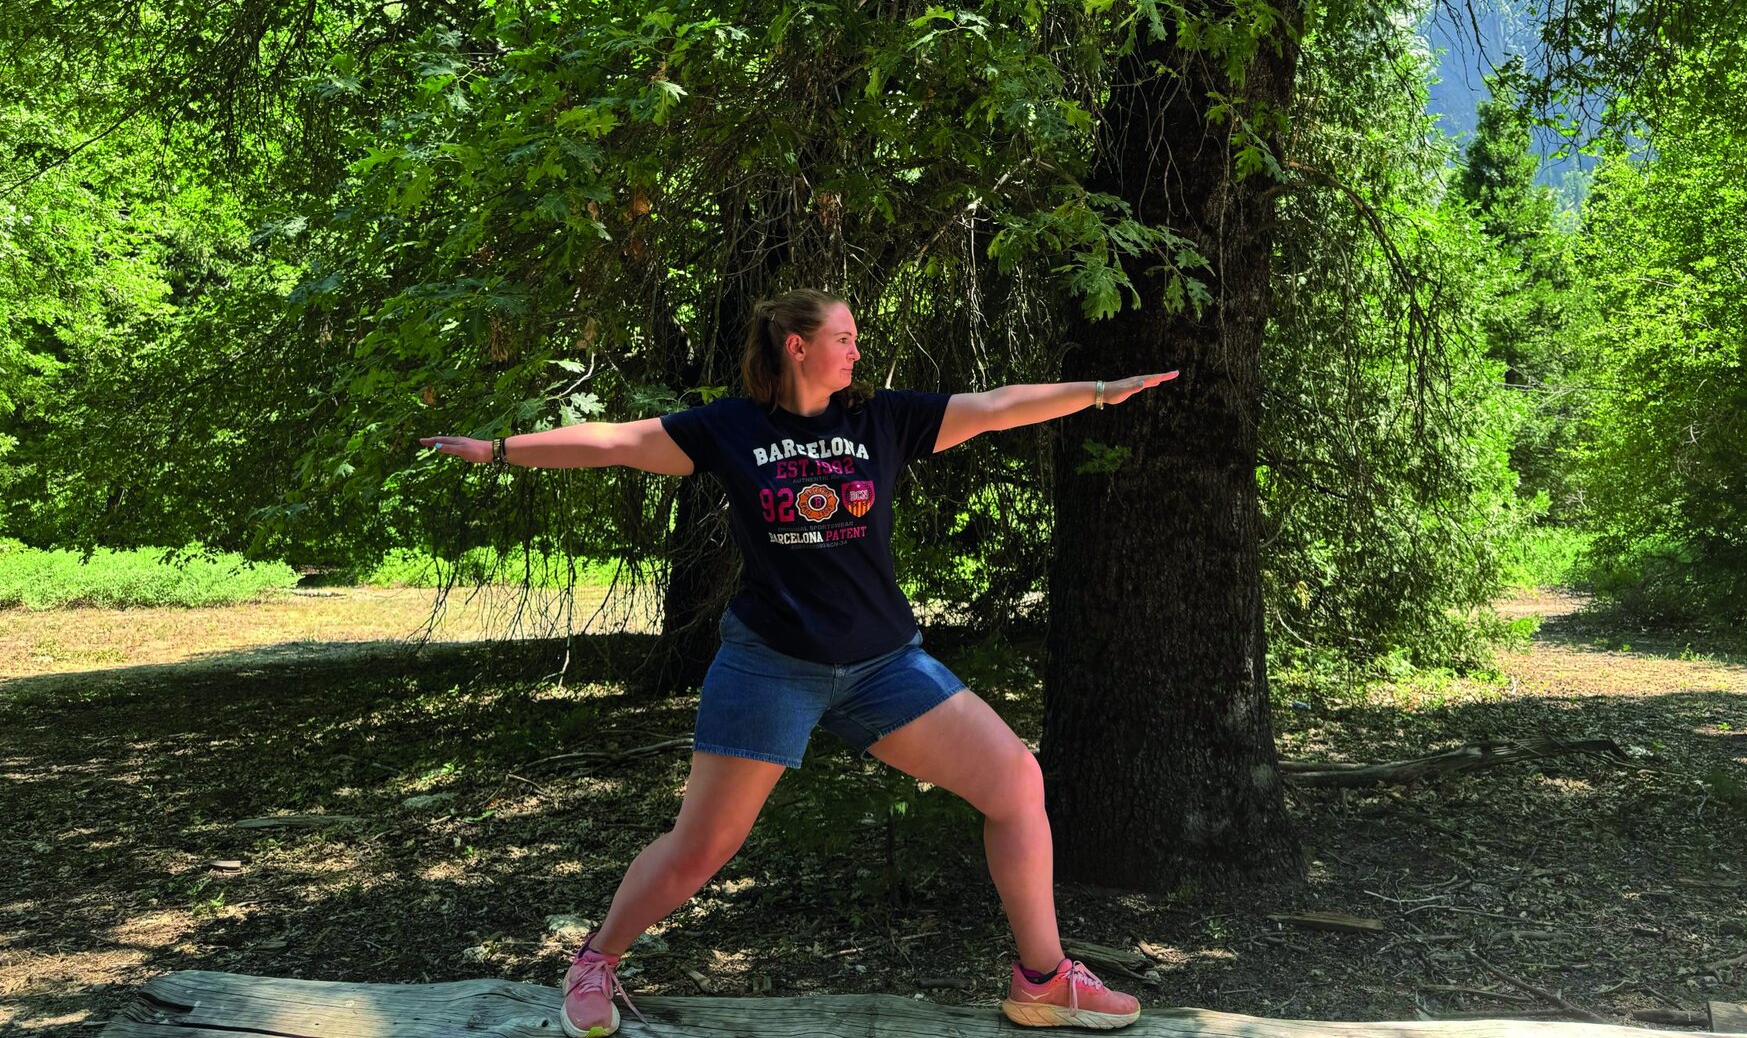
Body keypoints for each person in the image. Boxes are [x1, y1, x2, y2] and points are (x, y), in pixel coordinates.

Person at [420, 288, 1179, 1035]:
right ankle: (596, 961)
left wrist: (1099, 391)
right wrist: (498, 450)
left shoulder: (882, 419)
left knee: (1015, 782)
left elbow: (996, 406)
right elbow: (615, 442)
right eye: (843, 338)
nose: (856, 351)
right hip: (772, 666)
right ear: (797, 346)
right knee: (702, 848)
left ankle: (1044, 981)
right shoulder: (731, 428)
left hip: (884, 666)